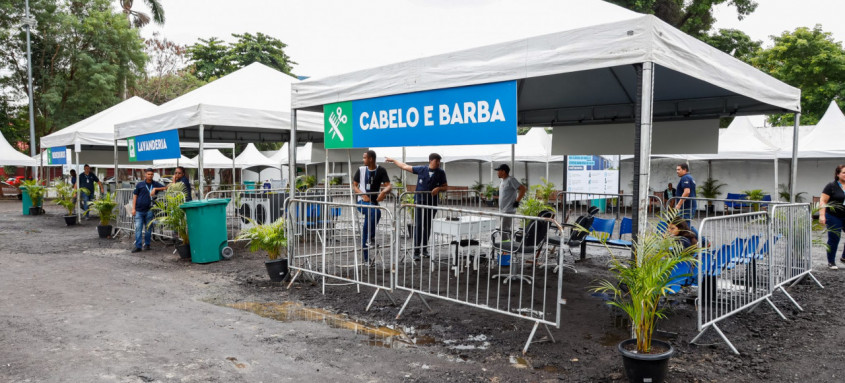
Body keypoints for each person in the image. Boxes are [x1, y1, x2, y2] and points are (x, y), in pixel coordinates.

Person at [386, 153, 448, 261]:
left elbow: (445, 186)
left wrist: (438, 188)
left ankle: (424, 249)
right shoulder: (421, 169)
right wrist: (393, 160)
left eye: (439, 161)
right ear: (431, 161)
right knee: (418, 225)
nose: (438, 163)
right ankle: (416, 251)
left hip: (432, 203)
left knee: (427, 226)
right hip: (419, 202)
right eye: (436, 161)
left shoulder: (441, 172)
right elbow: (404, 166)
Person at [352, 150, 392, 263]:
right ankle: (370, 238)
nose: (363, 160)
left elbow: (389, 186)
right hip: (361, 201)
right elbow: (354, 186)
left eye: (364, 158)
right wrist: (363, 195)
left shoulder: (381, 170)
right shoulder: (361, 170)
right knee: (375, 212)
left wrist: (383, 192)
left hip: (373, 203)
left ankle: (366, 253)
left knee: (372, 215)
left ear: (371, 159)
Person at [131, 168, 166, 253]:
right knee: (138, 228)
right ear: (145, 175)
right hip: (139, 210)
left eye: (151, 174)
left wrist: (156, 189)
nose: (150, 176)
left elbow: (166, 187)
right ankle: (138, 246)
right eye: (148, 174)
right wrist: (133, 208)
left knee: (148, 228)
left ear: (153, 175)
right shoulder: (140, 184)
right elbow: (135, 196)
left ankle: (147, 244)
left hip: (149, 210)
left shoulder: (155, 184)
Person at [819, 164, 845, 270]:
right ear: (838, 174)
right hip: (834, 215)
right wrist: (822, 215)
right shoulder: (831, 186)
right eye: (844, 172)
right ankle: (831, 261)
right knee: (834, 238)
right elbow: (823, 201)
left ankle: (844, 257)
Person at [494, 164, 526, 239]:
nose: (497, 173)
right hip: (502, 209)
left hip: (508, 210)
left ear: (503, 171)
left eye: (498, 171)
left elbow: (523, 189)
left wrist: (517, 201)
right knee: (505, 230)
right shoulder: (502, 180)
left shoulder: (511, 180)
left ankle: (506, 249)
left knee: (503, 230)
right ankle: (507, 247)